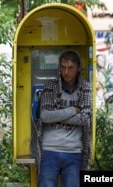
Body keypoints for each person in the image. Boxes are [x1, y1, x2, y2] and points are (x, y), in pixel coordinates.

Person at [35, 50, 92, 187]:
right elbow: (45, 116)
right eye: (63, 67)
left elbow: (85, 119)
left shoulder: (85, 88)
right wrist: (73, 110)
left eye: (70, 68)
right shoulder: (51, 86)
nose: (66, 72)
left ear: (78, 68)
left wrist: (56, 114)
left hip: (73, 150)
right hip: (50, 149)